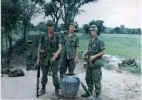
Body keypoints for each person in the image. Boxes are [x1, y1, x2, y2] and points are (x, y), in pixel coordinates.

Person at [36, 20, 62, 96]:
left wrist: (55, 56)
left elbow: (60, 48)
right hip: (45, 58)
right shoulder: (43, 35)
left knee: (55, 75)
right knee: (44, 75)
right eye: (49, 26)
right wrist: (38, 58)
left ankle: (57, 89)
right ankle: (43, 89)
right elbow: (39, 47)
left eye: (51, 26)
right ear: (47, 27)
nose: (50, 27)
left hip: (55, 59)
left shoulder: (57, 35)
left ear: (53, 27)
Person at [81, 25, 105, 100]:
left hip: (96, 63)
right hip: (89, 63)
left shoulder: (100, 41)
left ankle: (97, 95)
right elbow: (89, 50)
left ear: (95, 31)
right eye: (90, 31)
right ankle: (89, 92)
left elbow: (103, 52)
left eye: (92, 31)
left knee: (96, 80)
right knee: (88, 78)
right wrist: (85, 52)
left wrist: (94, 56)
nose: (91, 32)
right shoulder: (91, 40)